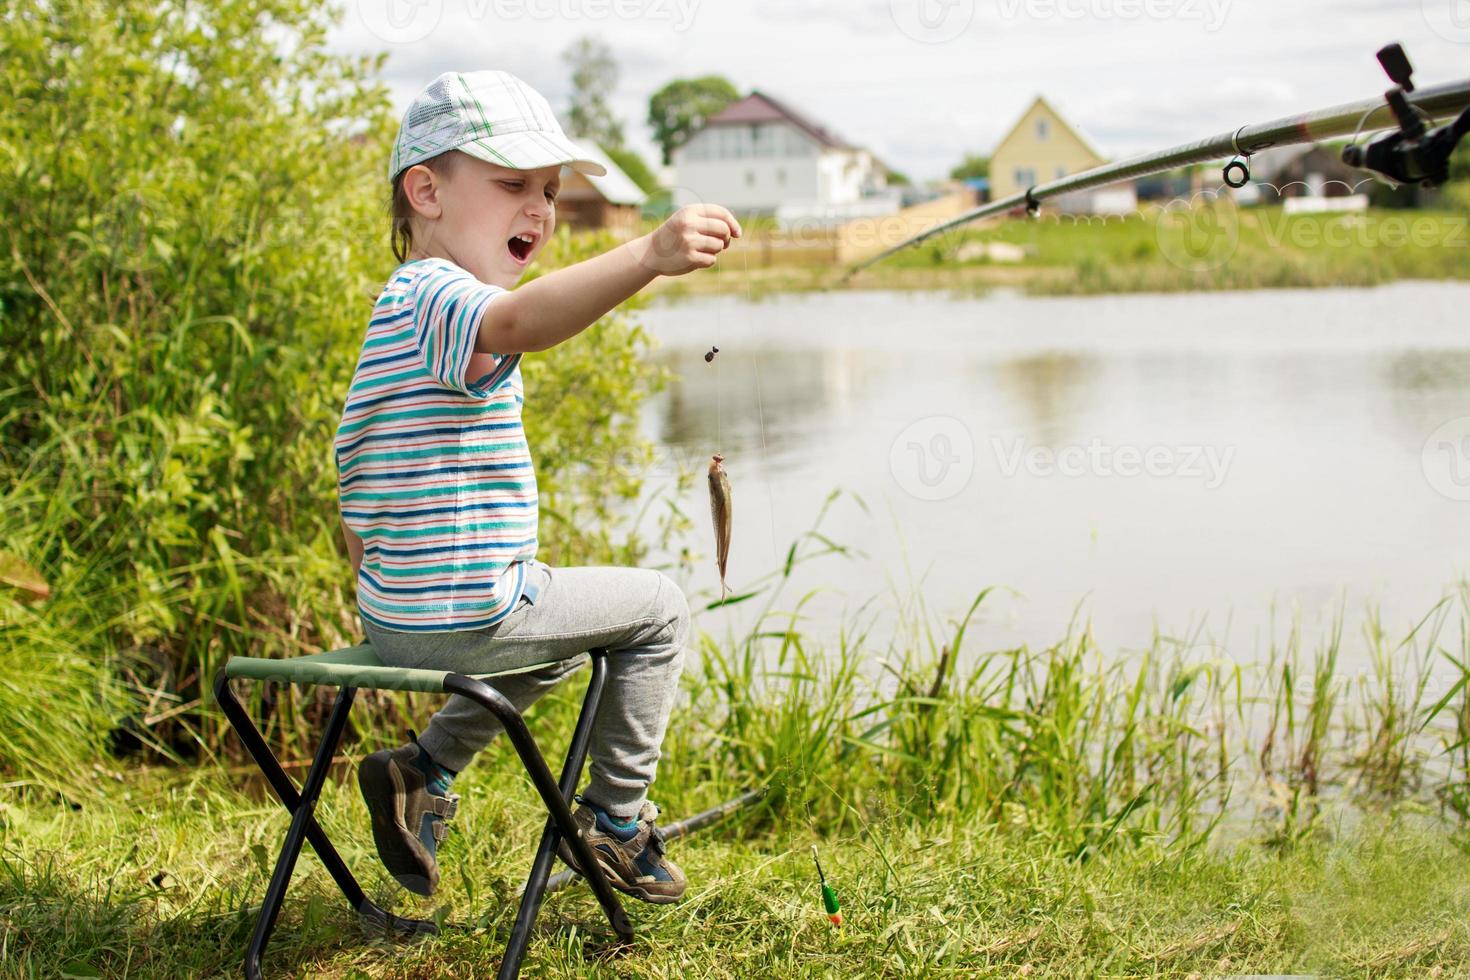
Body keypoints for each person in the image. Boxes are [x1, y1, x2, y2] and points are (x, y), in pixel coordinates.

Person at [334, 70, 740, 904]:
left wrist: (378, 576)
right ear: (426, 192)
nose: (540, 209)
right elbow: (519, 323)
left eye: (549, 192)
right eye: (512, 183)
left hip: (397, 614)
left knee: (553, 655)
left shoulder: (397, 314)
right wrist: (649, 256)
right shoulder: (439, 294)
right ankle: (614, 824)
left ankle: (423, 769)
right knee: (658, 608)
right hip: (463, 612)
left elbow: (357, 482)